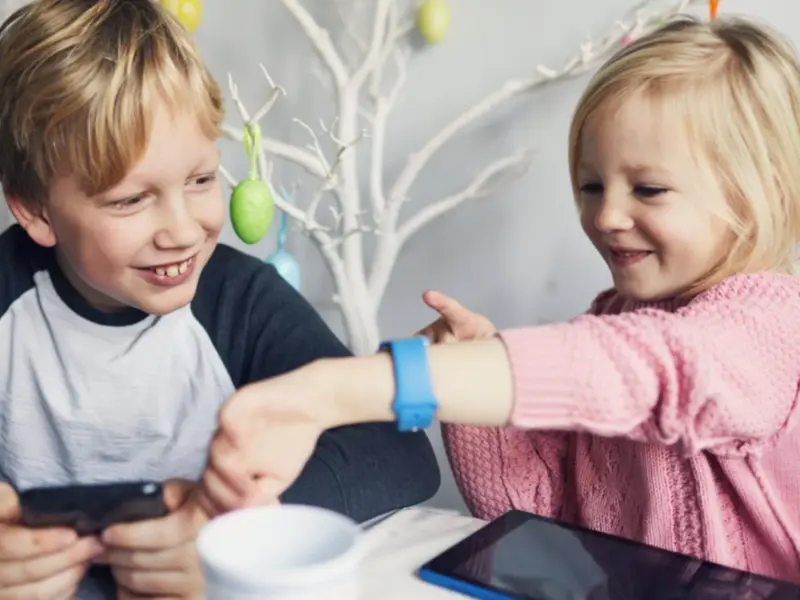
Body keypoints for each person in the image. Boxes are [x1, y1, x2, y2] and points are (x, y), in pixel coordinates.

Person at [202, 14, 800, 585]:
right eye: (592, 186)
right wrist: (469, 381)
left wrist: (337, 390)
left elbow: (644, 365)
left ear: (758, 193)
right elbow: (539, 511)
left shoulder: (767, 327)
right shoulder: (613, 320)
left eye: (648, 189)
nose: (607, 215)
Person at [0, 0, 440, 598]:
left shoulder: (241, 300)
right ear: (36, 210)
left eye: (201, 180)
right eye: (131, 200)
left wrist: (240, 528)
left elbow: (398, 454)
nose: (182, 230)